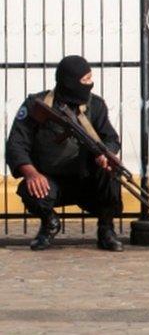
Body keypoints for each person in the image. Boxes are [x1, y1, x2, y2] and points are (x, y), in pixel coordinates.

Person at [6, 55, 124, 251]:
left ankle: (106, 229)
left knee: (113, 171)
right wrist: (31, 173)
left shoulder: (95, 105)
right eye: (85, 79)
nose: (90, 84)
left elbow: (111, 138)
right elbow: (16, 145)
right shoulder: (37, 105)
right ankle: (49, 223)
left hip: (87, 180)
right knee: (29, 188)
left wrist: (107, 153)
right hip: (51, 182)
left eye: (90, 78)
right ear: (69, 81)